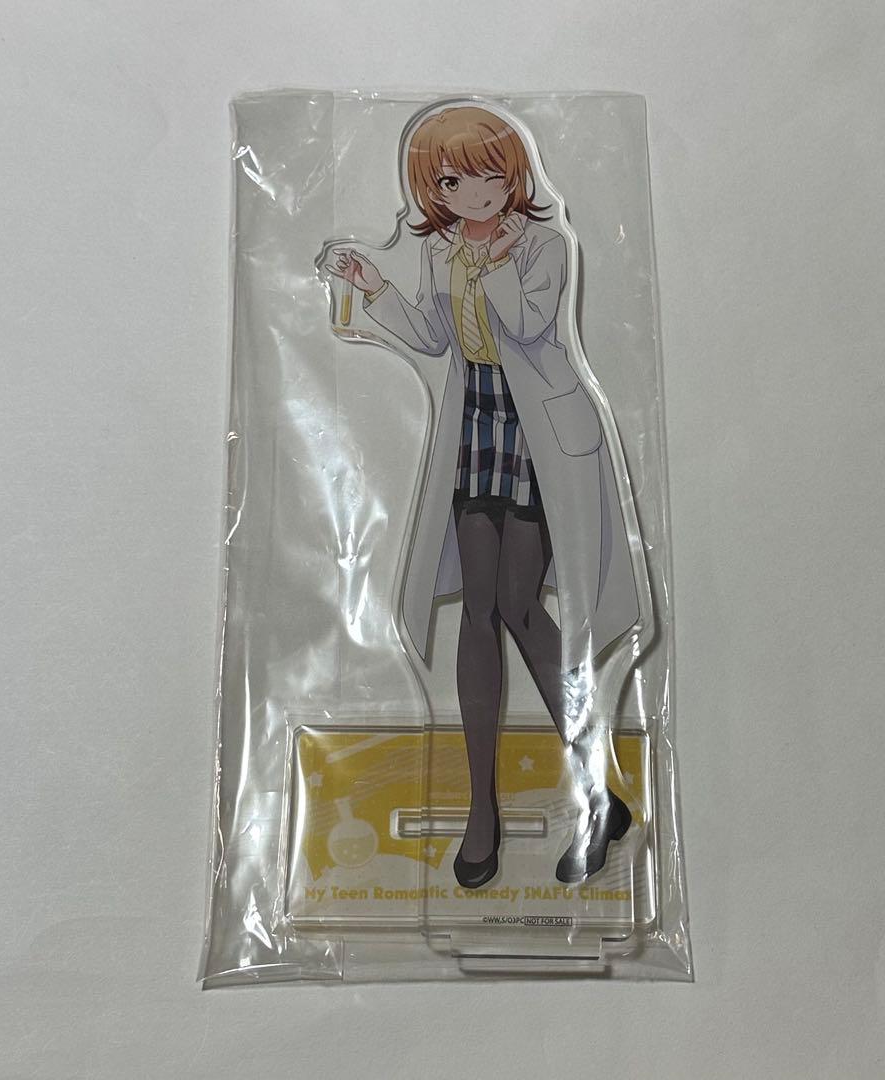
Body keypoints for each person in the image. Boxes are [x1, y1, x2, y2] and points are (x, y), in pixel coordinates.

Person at [326, 104, 641, 886]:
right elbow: (435, 338)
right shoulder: (442, 250)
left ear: (513, 175)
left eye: (488, 175)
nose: (472, 194)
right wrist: (374, 287)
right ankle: (481, 815)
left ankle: (596, 793)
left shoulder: (544, 245)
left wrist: (495, 263)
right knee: (478, 610)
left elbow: (532, 326)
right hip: (475, 423)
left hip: (541, 434)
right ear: (432, 188)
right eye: (451, 181)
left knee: (520, 607)